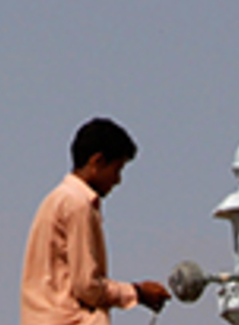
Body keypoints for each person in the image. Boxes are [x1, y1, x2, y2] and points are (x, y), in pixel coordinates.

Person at [21, 117, 171, 325]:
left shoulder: (56, 200)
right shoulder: (78, 204)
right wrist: (137, 293)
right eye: (117, 169)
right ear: (97, 162)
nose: (118, 180)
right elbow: (87, 287)